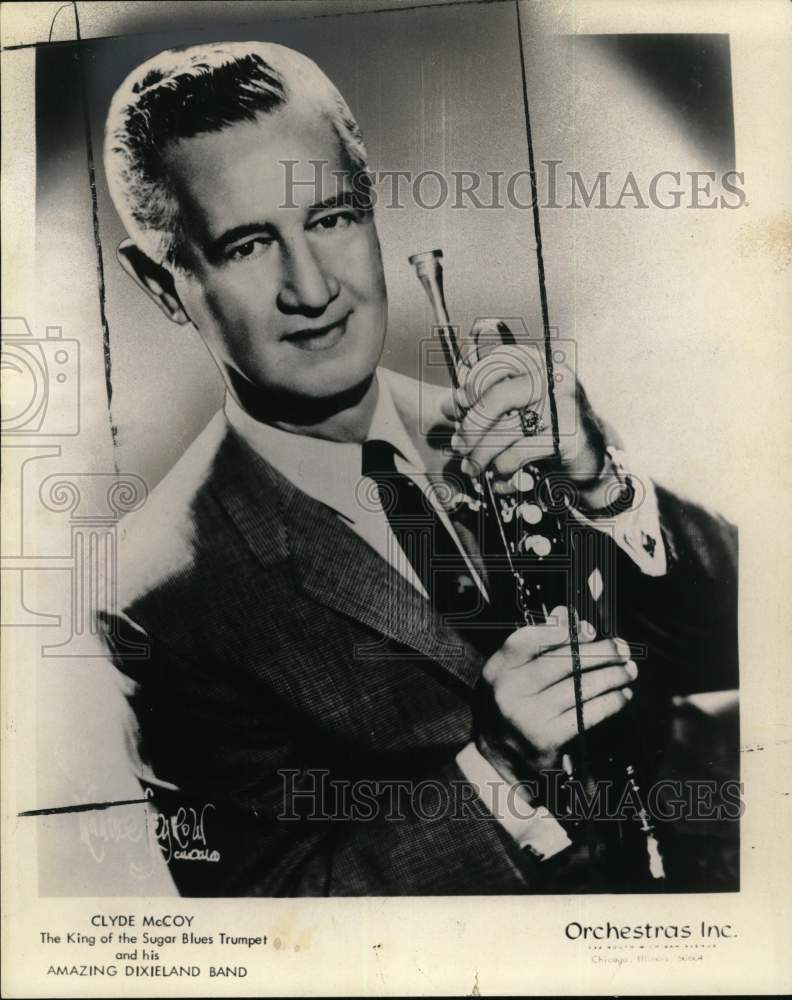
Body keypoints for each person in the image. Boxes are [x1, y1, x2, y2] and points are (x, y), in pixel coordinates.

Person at [98, 41, 738, 896]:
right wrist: (500, 773)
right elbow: (266, 923)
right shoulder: (161, 600)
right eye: (248, 245)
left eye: (331, 220)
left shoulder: (511, 426)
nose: (313, 288)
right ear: (163, 285)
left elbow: (744, 637)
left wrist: (604, 483)